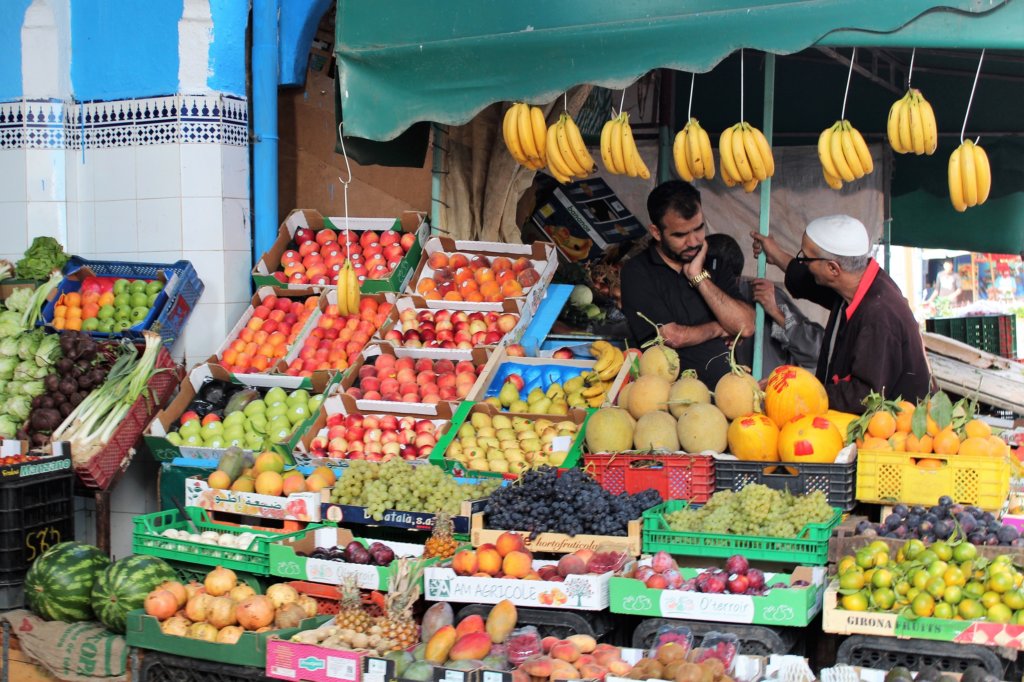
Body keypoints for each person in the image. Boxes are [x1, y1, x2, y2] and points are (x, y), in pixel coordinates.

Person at [751, 215, 930, 413]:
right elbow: (809, 281)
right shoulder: (855, 282)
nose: (803, 263)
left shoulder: (879, 316)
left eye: (806, 258)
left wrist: (794, 392)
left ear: (833, 269)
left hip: (893, 432)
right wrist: (775, 254)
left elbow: (862, 395)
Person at [620, 181, 755, 386]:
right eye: (680, 235)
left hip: (727, 397)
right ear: (656, 232)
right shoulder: (637, 272)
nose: (693, 242)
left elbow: (745, 326)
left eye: (699, 228)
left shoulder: (715, 262)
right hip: (668, 402)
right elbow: (672, 336)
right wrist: (719, 328)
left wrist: (698, 277)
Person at [705, 234, 823, 373]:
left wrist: (776, 313)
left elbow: (816, 352)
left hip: (772, 391)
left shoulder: (763, 295)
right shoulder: (697, 294)